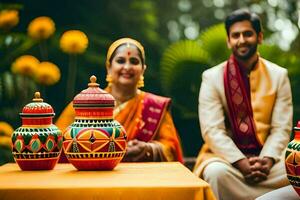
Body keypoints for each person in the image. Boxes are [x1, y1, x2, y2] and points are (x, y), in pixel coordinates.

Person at [193, 9, 293, 200]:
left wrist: (267, 159)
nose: (241, 40)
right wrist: (240, 162)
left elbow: (281, 128)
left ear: (259, 37)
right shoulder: (212, 77)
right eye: (235, 35)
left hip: (270, 165)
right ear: (228, 41)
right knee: (215, 173)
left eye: (247, 34)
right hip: (229, 163)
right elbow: (212, 130)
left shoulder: (278, 75)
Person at [56, 37, 183, 163]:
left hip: (140, 177)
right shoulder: (87, 102)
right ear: (109, 67)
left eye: (134, 61)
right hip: (92, 174)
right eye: (121, 61)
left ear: (143, 69)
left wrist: (149, 149)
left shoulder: (155, 106)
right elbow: (60, 141)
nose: (127, 67)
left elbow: (171, 147)